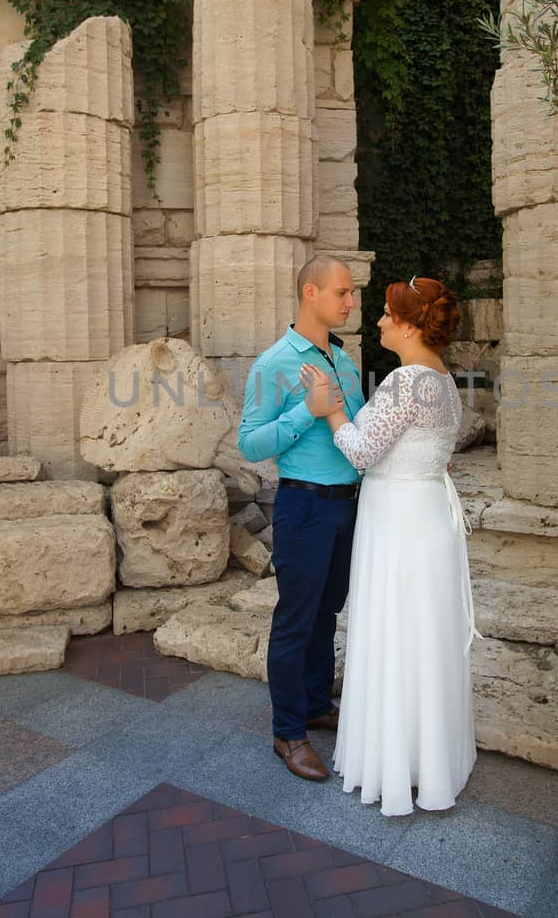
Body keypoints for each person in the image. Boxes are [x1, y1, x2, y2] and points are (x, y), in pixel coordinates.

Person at [299, 276, 477, 817]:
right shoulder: (443, 381)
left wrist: (327, 408)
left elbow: (360, 451)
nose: (376, 321)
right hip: (425, 515)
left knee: (398, 630)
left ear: (408, 323)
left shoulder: (406, 383)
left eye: (384, 314)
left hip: (399, 520)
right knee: (423, 633)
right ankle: (428, 757)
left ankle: (395, 763)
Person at [237, 255, 365, 783]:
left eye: (352, 293)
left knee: (326, 611)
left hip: (349, 506)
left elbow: (361, 430)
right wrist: (303, 411)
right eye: (342, 292)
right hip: (304, 506)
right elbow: (249, 443)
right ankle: (288, 732)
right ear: (310, 293)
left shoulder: (348, 359)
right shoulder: (272, 365)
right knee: (294, 619)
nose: (351, 301)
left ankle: (315, 703)